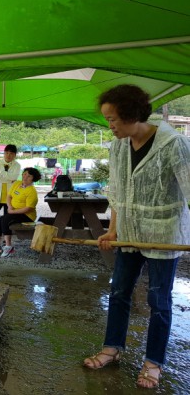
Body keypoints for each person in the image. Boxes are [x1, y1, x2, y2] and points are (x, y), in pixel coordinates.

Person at [83, 84, 190, 389]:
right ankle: (112, 348)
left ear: (132, 115)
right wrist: (113, 229)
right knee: (118, 292)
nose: (110, 125)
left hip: (163, 234)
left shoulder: (174, 144)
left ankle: (153, 362)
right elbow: (117, 192)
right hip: (129, 234)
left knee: (159, 300)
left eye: (113, 119)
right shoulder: (118, 146)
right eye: (107, 119)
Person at [0, 167, 42, 257]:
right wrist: (10, 206)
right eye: (24, 174)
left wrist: (12, 212)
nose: (25, 177)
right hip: (14, 211)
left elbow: (28, 208)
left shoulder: (32, 191)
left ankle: (8, 246)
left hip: (26, 215)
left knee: (6, 220)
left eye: (29, 176)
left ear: (33, 178)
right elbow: (9, 196)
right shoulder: (17, 183)